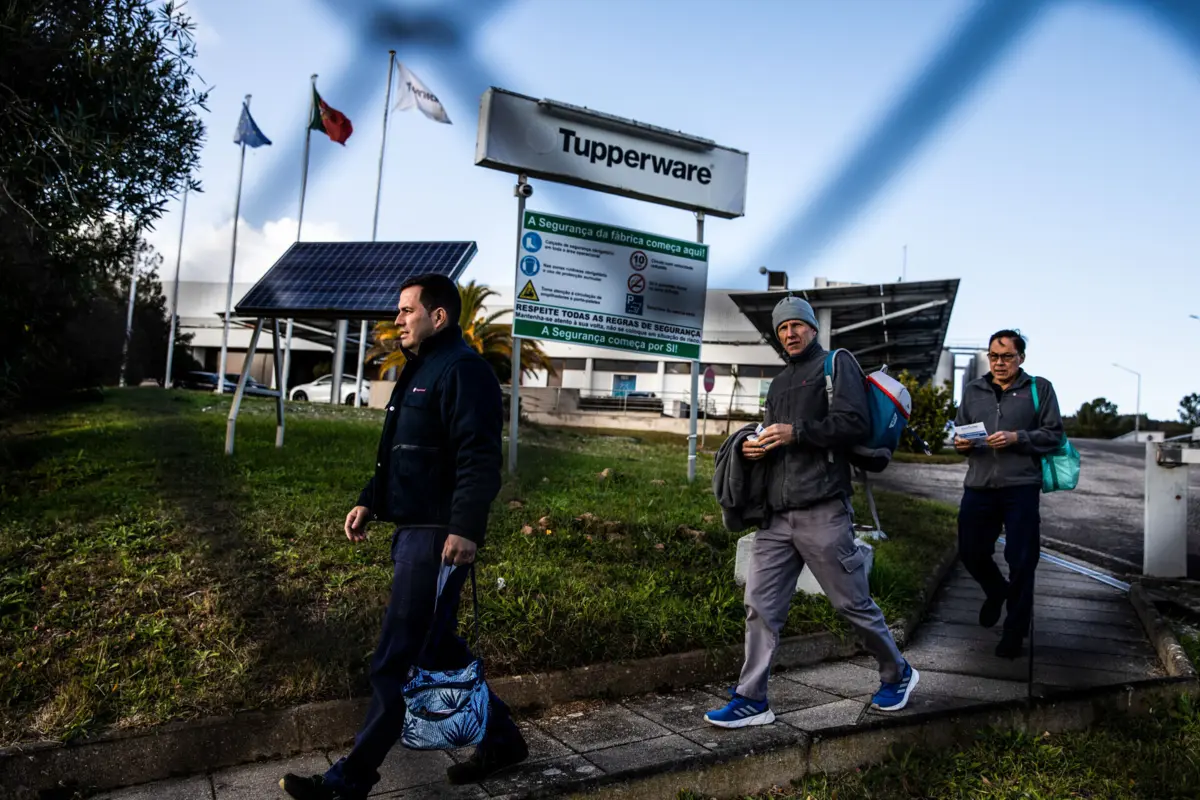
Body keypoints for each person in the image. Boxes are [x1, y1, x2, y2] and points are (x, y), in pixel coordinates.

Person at [280, 275, 527, 800]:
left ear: (439, 317)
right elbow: (401, 452)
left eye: (407, 310)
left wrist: (465, 528)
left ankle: (351, 780)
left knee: (395, 657)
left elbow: (478, 457)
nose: (397, 319)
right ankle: (503, 741)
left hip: (437, 538)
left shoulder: (465, 371)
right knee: (436, 648)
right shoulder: (419, 370)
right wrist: (370, 498)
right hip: (413, 529)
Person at [705, 296, 919, 728]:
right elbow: (774, 438)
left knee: (852, 604)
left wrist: (796, 432)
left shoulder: (837, 364)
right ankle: (752, 698)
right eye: (782, 328)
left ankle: (899, 672)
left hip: (823, 508)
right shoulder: (780, 381)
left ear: (812, 329)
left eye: (797, 326)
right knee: (760, 606)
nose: (790, 333)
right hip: (776, 516)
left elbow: (853, 423)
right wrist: (752, 446)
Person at [954, 330, 1064, 659]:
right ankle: (995, 589)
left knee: (1022, 561)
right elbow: (960, 430)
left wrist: (1017, 438)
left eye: (1007, 357)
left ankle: (1014, 632)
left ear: (1021, 358)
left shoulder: (1038, 388)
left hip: (1021, 488)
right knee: (970, 552)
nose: (999, 363)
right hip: (979, 485)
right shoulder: (973, 390)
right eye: (994, 356)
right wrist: (959, 444)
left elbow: (1054, 435)